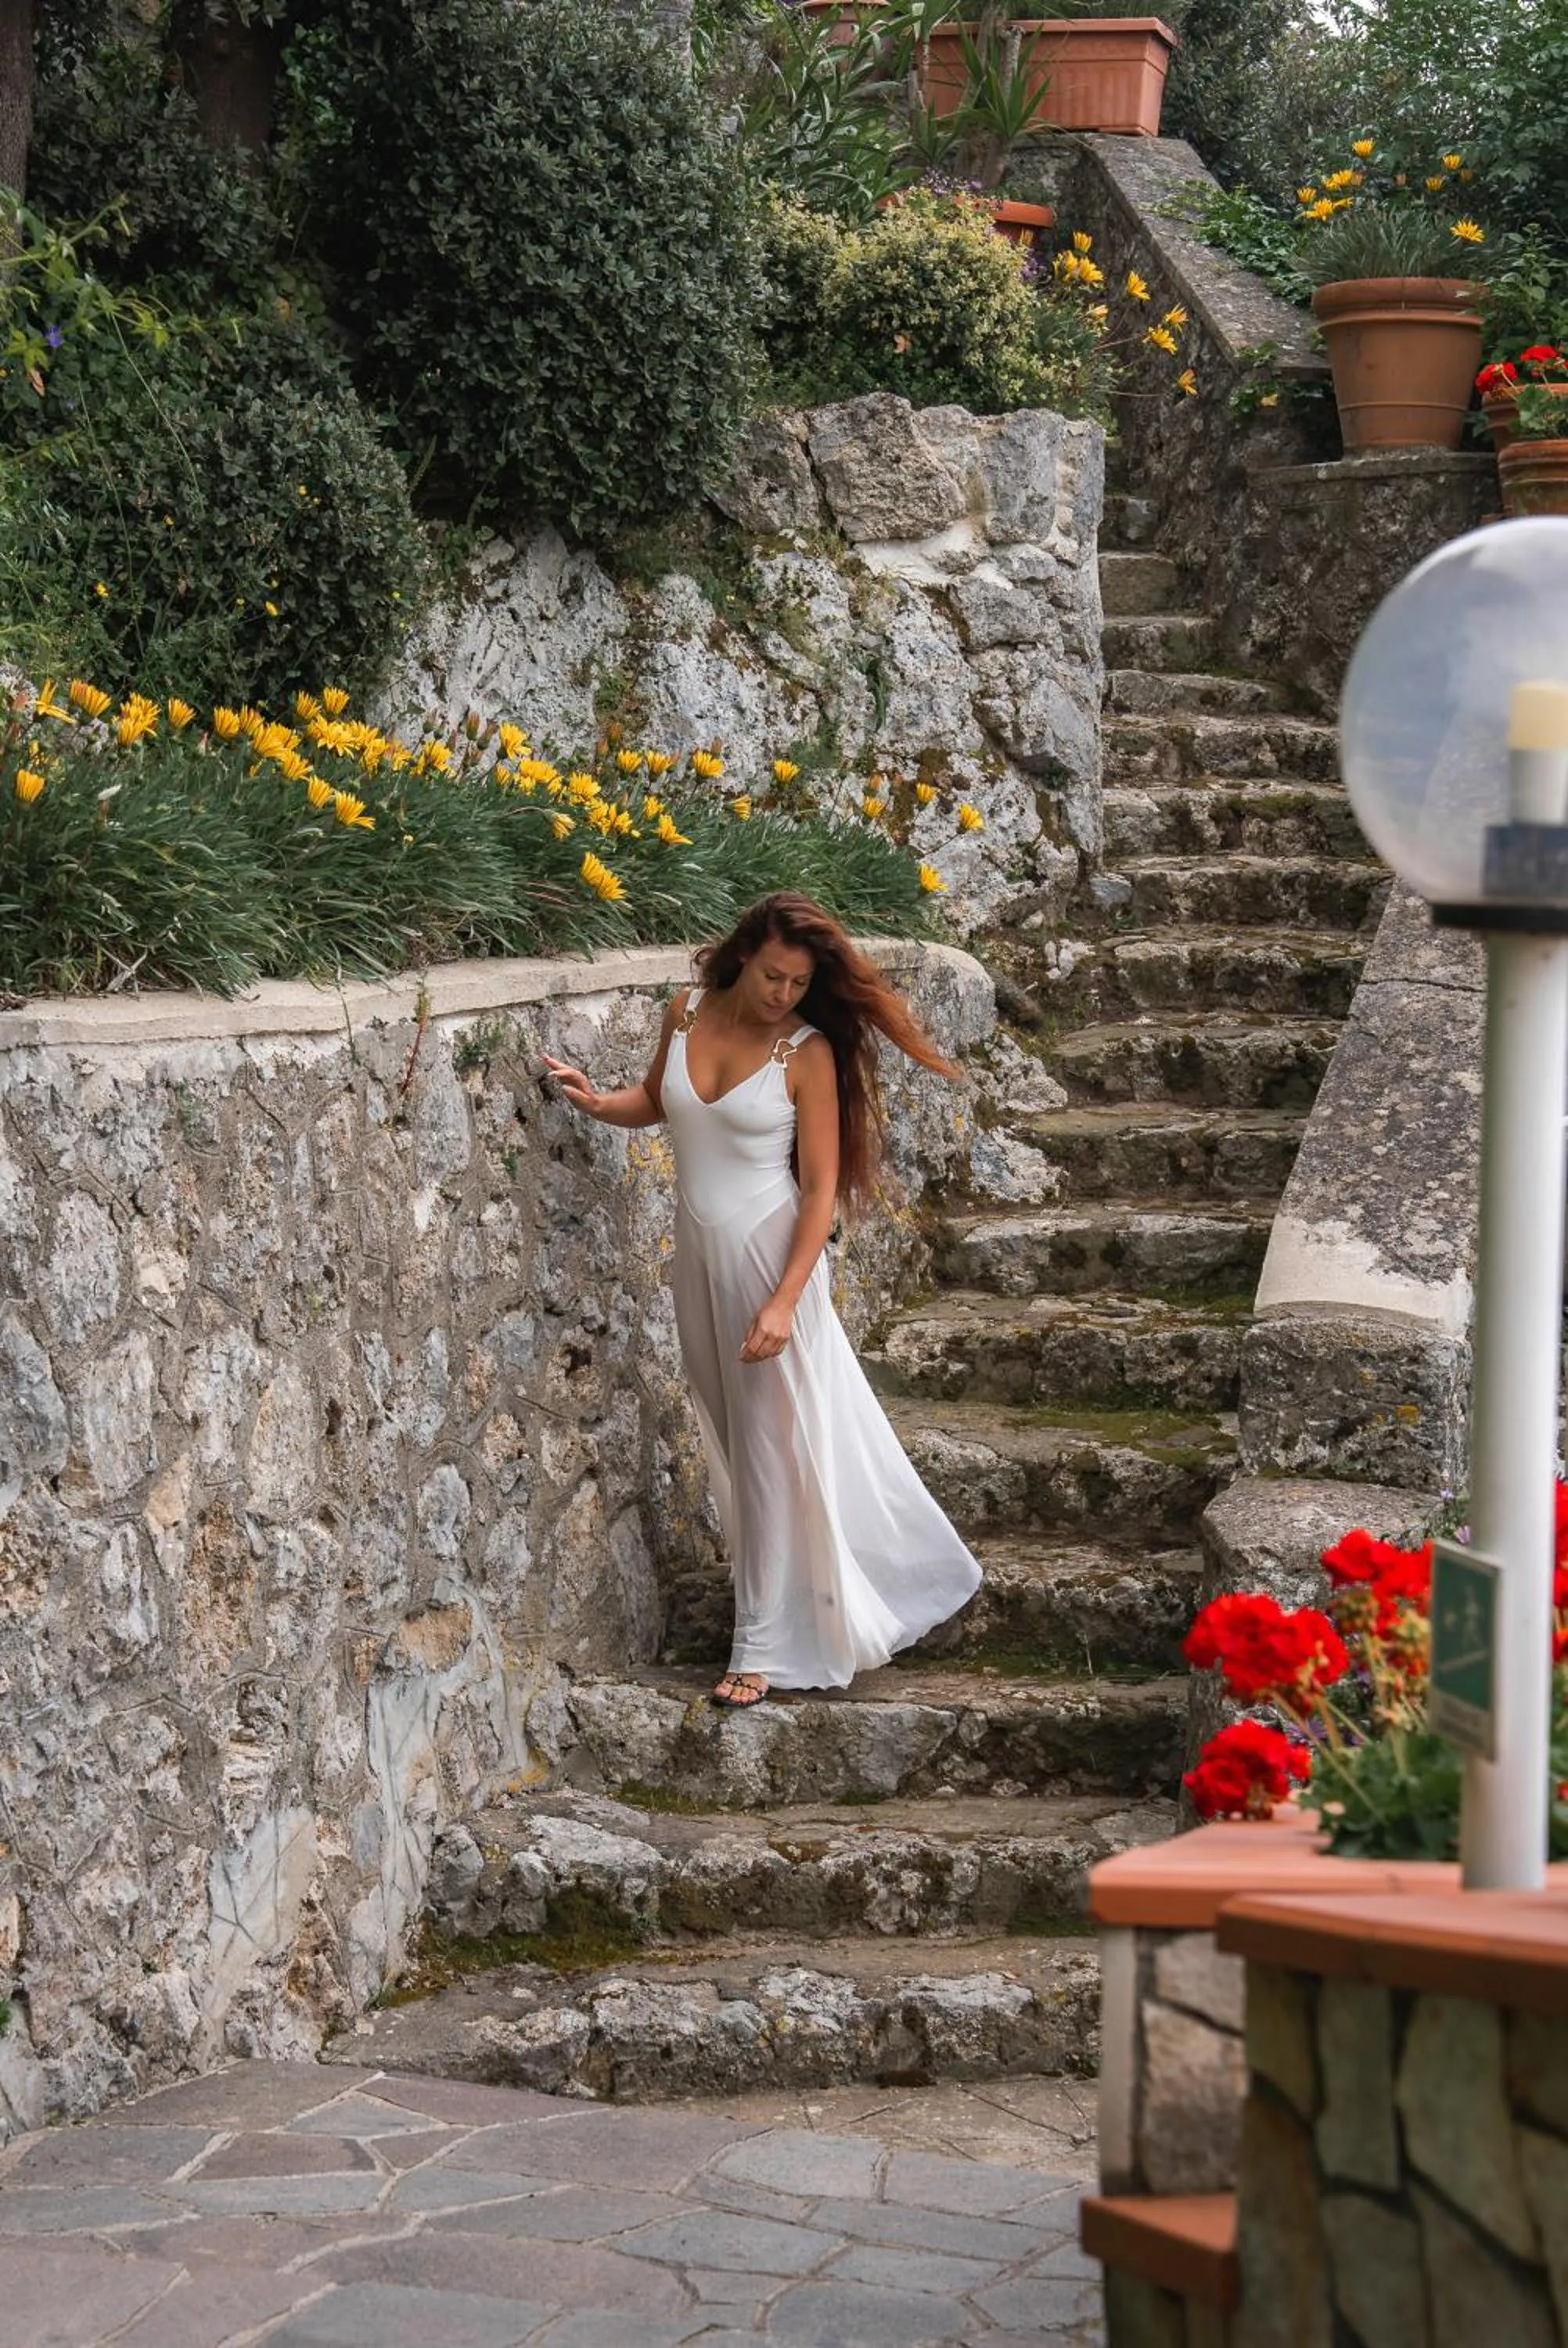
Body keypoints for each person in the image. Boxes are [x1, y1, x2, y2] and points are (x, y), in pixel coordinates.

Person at [541, 889, 983, 1707]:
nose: (784, 994)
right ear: (744, 954)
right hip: (697, 1260)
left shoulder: (806, 1053)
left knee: (773, 1447)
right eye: (775, 977)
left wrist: (784, 1301)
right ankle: (797, 1598)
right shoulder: (685, 1010)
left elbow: (819, 1194)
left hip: (769, 1260)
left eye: (799, 983)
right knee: (738, 1436)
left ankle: (759, 1649)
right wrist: (598, 1101)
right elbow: (661, 1102)